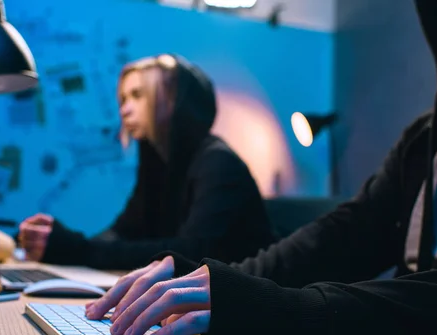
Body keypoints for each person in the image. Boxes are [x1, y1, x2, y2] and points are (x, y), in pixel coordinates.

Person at [84, 0, 437, 335]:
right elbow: (342, 238)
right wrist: (217, 282)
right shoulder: (431, 138)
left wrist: (272, 309)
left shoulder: (216, 163)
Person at [18, 54, 276, 270]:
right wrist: (70, 248)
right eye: (123, 99)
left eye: (137, 95)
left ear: (174, 99)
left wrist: (78, 250)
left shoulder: (218, 164)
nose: (124, 109)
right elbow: (123, 232)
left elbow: (192, 253)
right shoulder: (157, 165)